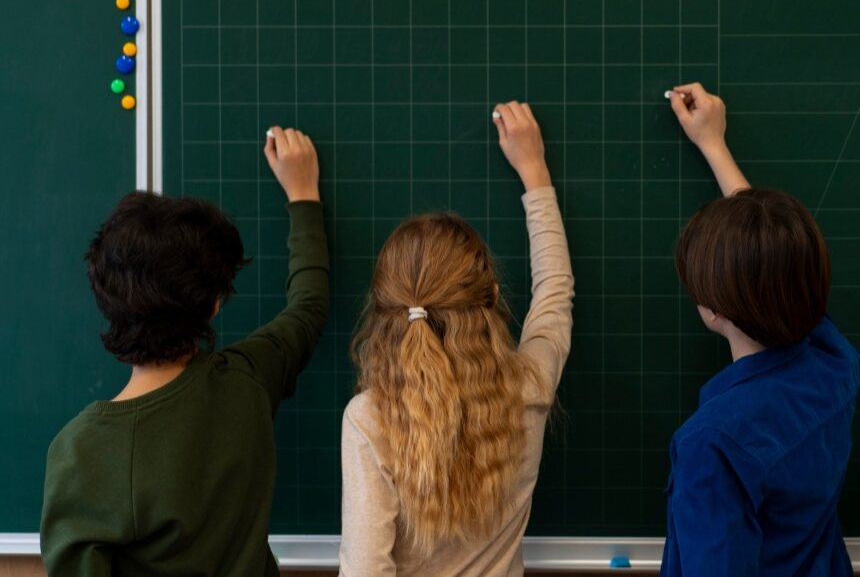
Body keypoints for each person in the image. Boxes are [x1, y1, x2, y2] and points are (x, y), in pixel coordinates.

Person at [41, 128, 329, 576]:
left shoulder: (82, 454)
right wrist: (303, 192)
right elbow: (309, 305)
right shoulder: (248, 380)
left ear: (106, 299)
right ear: (213, 305)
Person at [339, 101, 574, 576]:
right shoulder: (528, 388)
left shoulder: (371, 420)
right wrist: (534, 172)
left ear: (386, 314)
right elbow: (554, 293)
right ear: (491, 296)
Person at [659, 83, 860, 576]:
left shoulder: (710, 445)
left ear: (712, 310)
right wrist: (714, 144)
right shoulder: (833, 360)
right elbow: (773, 259)